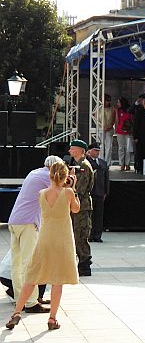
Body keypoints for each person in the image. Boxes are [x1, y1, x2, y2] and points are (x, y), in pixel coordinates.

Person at [5, 161, 80, 331]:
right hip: (62, 239)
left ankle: (16, 313)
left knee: (32, 277)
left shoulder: (42, 193)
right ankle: (52, 319)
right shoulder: (68, 192)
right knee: (57, 281)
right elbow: (76, 209)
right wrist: (73, 187)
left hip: (45, 238)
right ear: (65, 176)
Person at [7, 155, 63, 314]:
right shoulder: (47, 177)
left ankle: (20, 297)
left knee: (17, 262)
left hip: (15, 220)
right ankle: (31, 302)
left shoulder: (34, 173)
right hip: (28, 222)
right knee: (29, 263)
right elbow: (61, 192)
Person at [68, 139, 95, 276]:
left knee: (80, 235)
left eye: (72, 148)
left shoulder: (83, 166)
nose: (70, 151)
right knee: (75, 234)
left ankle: (85, 264)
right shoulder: (77, 165)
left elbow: (80, 188)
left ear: (79, 150)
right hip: (76, 205)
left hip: (82, 206)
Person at [87, 142, 109, 243]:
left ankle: (98, 235)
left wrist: (106, 191)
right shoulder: (86, 162)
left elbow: (106, 178)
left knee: (99, 215)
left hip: (100, 192)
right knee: (90, 215)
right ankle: (90, 235)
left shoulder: (103, 163)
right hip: (90, 192)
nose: (97, 152)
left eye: (98, 151)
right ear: (90, 151)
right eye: (95, 150)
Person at [114, 97, 133, 171]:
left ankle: (127, 163)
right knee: (121, 148)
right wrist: (116, 112)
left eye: (119, 102)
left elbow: (131, 119)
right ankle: (122, 163)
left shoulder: (129, 110)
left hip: (128, 131)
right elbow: (117, 121)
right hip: (120, 131)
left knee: (128, 148)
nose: (118, 104)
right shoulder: (119, 111)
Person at [100, 94, 116, 164]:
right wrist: (101, 126)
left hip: (109, 128)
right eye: (106, 100)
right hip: (101, 128)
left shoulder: (112, 109)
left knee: (108, 146)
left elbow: (114, 119)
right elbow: (95, 117)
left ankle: (107, 162)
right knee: (101, 145)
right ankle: (101, 160)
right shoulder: (99, 108)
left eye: (108, 101)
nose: (107, 102)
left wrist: (110, 126)